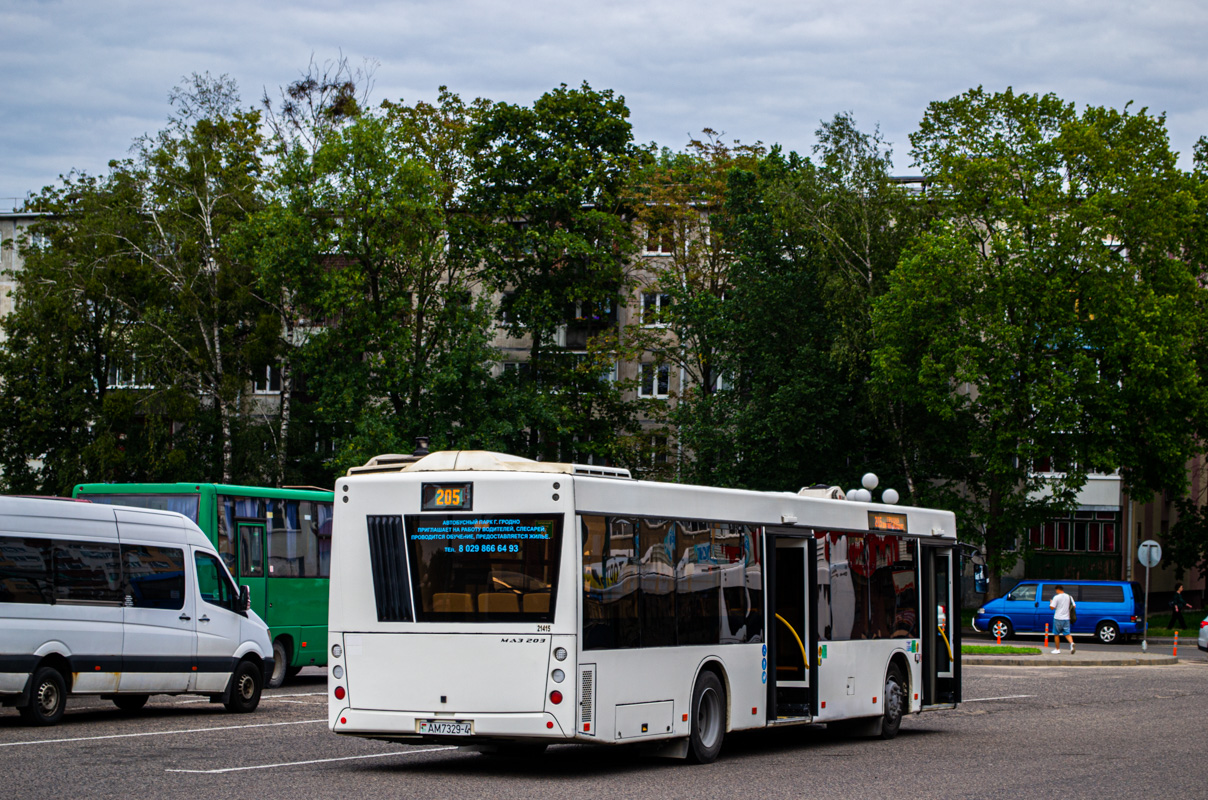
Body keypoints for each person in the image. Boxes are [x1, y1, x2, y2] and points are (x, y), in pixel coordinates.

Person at [1049, 585, 1076, 654]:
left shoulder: (1056, 597)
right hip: (1067, 618)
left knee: (1056, 634)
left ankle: (1057, 649)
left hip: (1058, 618)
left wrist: (1051, 602)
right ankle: (1072, 643)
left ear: (1057, 589)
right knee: (1067, 633)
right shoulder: (1069, 596)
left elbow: (1052, 607)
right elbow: (1074, 606)